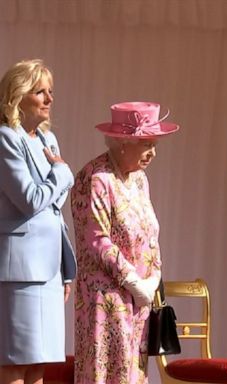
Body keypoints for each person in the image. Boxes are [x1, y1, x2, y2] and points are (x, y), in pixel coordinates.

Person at [71, 101, 179, 384]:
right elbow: (95, 240)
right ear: (122, 143)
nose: (153, 153)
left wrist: (153, 277)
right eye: (146, 144)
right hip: (106, 302)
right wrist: (133, 281)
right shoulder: (94, 178)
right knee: (105, 376)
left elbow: (151, 234)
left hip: (139, 302)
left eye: (154, 144)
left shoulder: (140, 179)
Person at [0, 59, 76, 384]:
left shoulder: (48, 140)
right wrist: (61, 172)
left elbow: (53, 206)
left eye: (50, 92)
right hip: (20, 272)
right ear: (18, 96)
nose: (49, 99)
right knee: (15, 364)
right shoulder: (6, 138)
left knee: (38, 366)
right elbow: (30, 199)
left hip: (49, 269)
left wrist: (65, 270)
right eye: (39, 91)